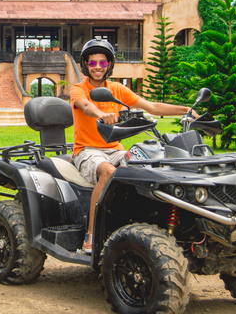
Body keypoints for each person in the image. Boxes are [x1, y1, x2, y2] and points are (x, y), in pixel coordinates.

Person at [70, 38, 192, 254]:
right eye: (93, 63)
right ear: (85, 66)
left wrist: (186, 110)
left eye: (102, 63)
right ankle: (91, 235)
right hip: (87, 150)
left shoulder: (117, 89)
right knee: (108, 172)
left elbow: (152, 107)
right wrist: (101, 114)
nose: (98, 67)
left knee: (149, 165)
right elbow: (86, 106)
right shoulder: (78, 89)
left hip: (114, 149)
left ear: (109, 66)